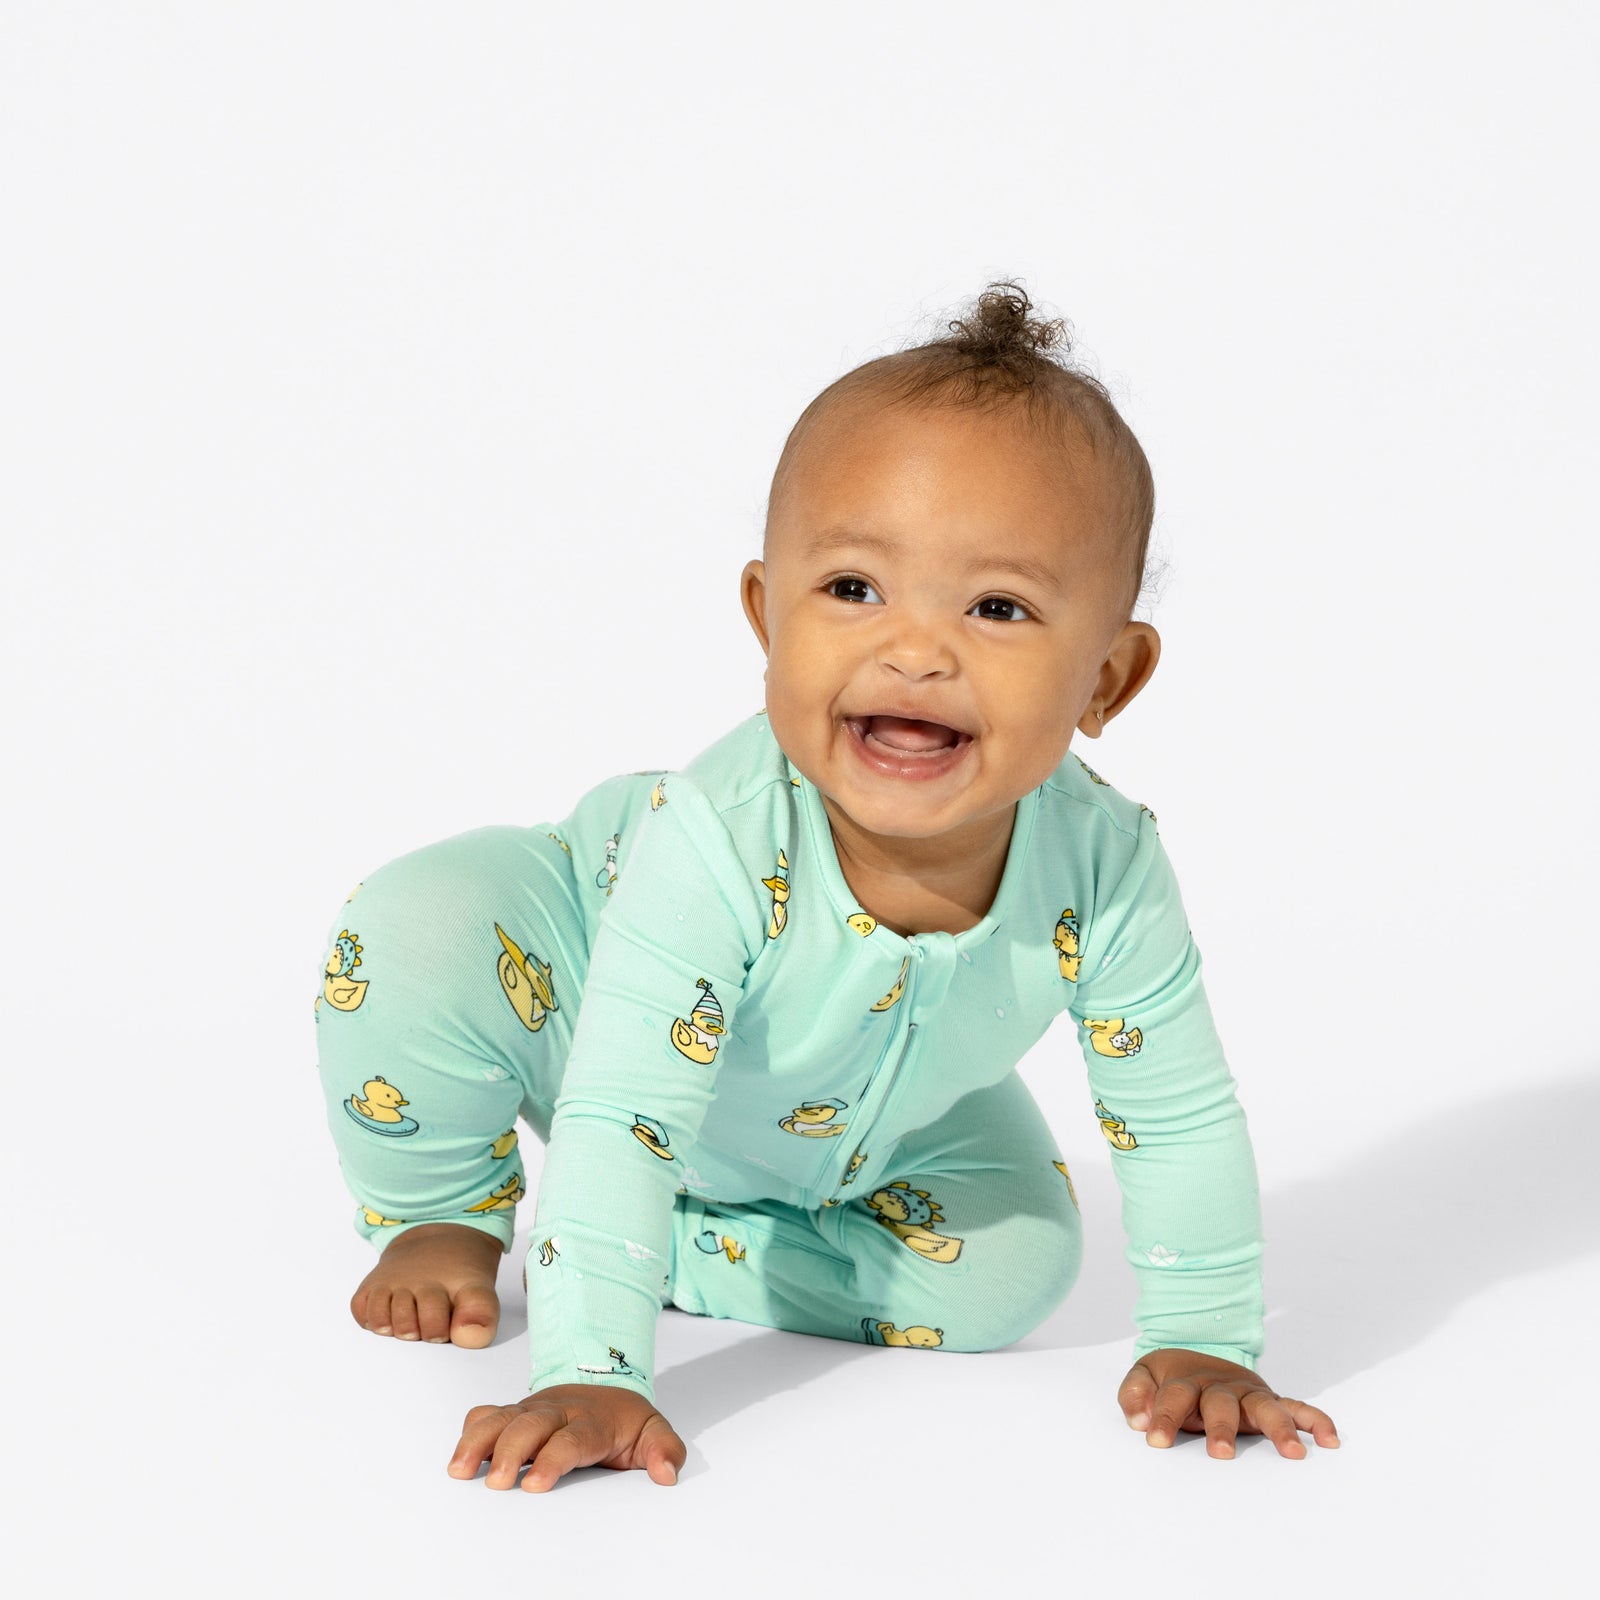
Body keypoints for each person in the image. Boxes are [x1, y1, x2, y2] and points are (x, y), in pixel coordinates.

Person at [314, 281, 1341, 1491]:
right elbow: (624, 1107)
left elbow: (1173, 1117)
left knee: (1019, 1267)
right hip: (579, 1018)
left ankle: (672, 1245)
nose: (915, 650)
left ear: (1107, 679)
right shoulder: (720, 833)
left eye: (997, 607)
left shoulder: (1106, 865)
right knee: (417, 930)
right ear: (767, 617)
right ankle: (447, 1210)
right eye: (853, 588)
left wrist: (1203, 1340)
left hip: (863, 1120)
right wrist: (592, 1367)